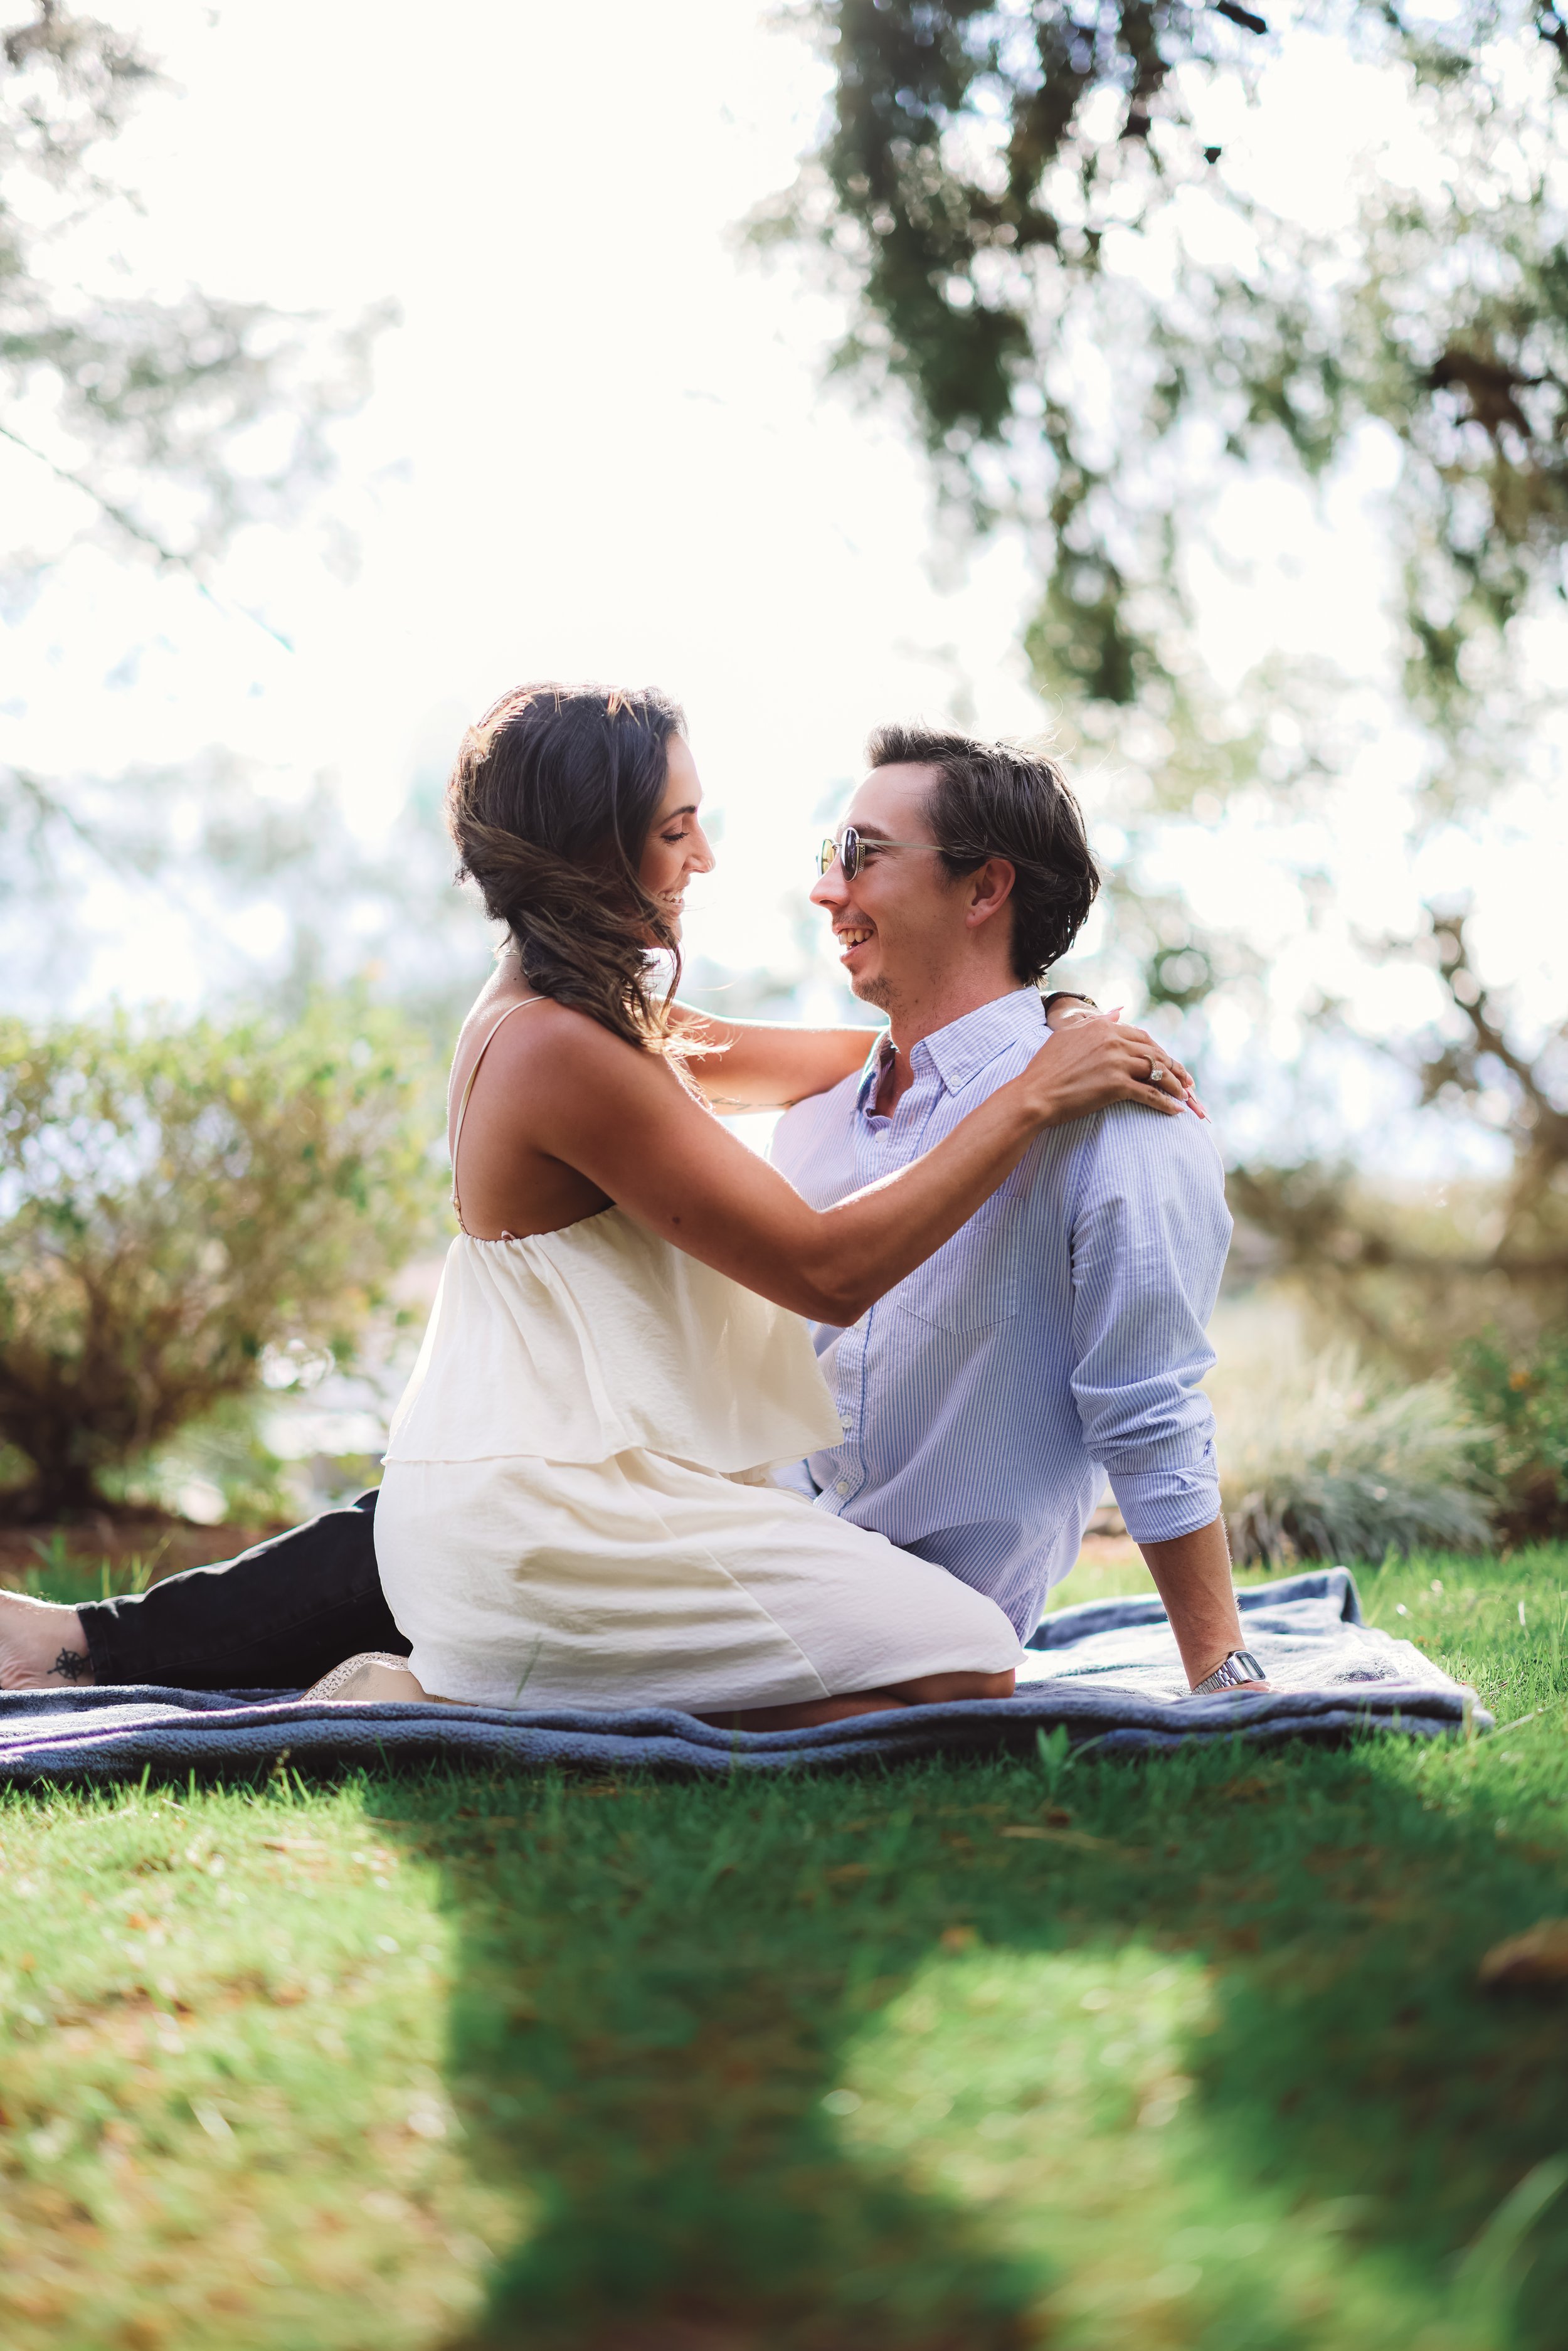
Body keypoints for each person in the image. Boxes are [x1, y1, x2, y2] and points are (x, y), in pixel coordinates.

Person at [0, 698, 1263, 1709]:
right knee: (958, 1661)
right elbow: (824, 1269)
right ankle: (454, 1695)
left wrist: (1047, 1023)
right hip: (567, 1503)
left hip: (539, 1475)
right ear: (597, 848)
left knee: (460, 1514)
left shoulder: (597, 1023)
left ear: (981, 888)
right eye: (677, 828)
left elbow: (848, 1058)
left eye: (854, 853)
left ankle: (77, 1641)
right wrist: (1034, 1088)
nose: (724, 860)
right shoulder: (564, 1052)